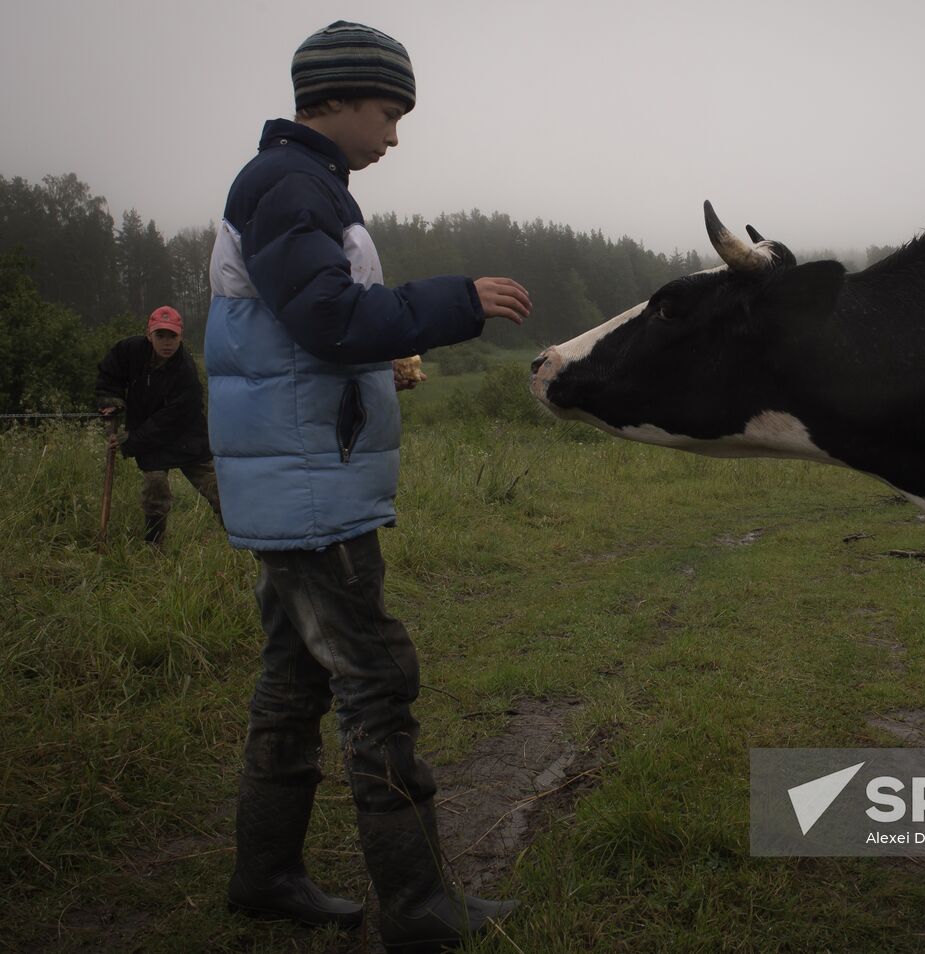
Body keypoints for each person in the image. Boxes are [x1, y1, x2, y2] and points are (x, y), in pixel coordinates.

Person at [205, 20, 531, 952]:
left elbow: (295, 334)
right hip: (311, 492)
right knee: (376, 681)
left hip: (299, 477)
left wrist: (371, 367)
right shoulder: (291, 186)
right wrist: (459, 300)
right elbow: (328, 318)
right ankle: (421, 910)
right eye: (388, 112)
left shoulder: (296, 187)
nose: (394, 134)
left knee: (293, 681)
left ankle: (264, 876)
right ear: (338, 100)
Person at [95, 305, 222, 545]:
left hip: (187, 438)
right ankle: (154, 545)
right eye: (160, 335)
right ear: (148, 334)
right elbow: (109, 374)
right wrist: (111, 399)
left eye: (172, 336)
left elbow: (171, 419)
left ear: (180, 336)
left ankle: (243, 543)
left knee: (217, 491)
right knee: (155, 487)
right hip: (150, 440)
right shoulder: (130, 351)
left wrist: (131, 442)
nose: (166, 342)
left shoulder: (186, 371)